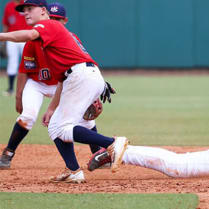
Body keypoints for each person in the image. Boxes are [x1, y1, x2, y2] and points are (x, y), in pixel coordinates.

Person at [0, 0, 127, 183]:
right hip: (80, 76)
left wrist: (1, 36)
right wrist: (51, 108)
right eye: (24, 10)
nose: (26, 13)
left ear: (43, 11)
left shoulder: (47, 24)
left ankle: (112, 144)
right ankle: (73, 171)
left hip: (81, 76)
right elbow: (61, 79)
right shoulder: (51, 41)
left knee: (62, 127)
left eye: (30, 9)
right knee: (55, 126)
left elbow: (29, 34)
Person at [2, 0, 30, 96]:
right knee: (12, 62)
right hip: (12, 38)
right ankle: (10, 89)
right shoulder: (9, 5)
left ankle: (30, 88)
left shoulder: (26, 3)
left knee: (29, 63)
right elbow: (6, 24)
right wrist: (3, 42)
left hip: (26, 37)